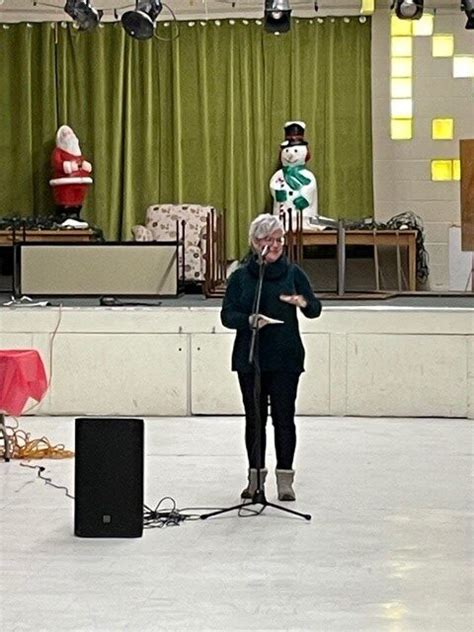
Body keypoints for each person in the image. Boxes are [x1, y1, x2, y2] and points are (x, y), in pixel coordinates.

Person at [221, 213, 322, 501]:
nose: (275, 245)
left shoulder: (294, 274)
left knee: (283, 418)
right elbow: (227, 315)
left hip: (285, 357)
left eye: (279, 239)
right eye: (268, 239)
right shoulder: (241, 277)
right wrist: (249, 320)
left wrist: (303, 302)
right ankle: (255, 479)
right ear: (255, 243)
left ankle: (285, 480)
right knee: (254, 420)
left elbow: (315, 309)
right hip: (251, 358)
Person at [50, 125, 93, 220]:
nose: (69, 136)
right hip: (64, 185)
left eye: (70, 133)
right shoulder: (58, 152)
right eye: (66, 134)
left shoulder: (77, 153)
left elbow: (81, 162)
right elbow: (57, 164)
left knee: (77, 202)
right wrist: (68, 166)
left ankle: (76, 215)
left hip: (80, 183)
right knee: (66, 202)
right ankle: (64, 216)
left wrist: (85, 166)